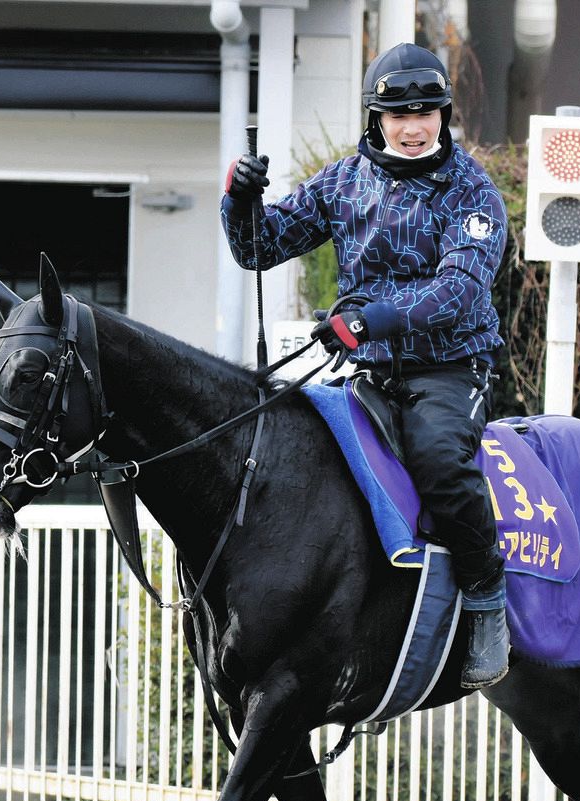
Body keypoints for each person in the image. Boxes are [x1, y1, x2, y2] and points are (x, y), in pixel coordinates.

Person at [221, 42, 509, 689]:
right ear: (374, 119)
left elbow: (457, 291)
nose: (413, 128)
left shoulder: (473, 193)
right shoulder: (343, 180)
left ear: (443, 115)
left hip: (450, 367)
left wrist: (367, 320)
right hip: (366, 370)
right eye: (398, 114)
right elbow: (259, 248)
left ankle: (488, 596)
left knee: (437, 459)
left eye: (426, 113)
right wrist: (240, 198)